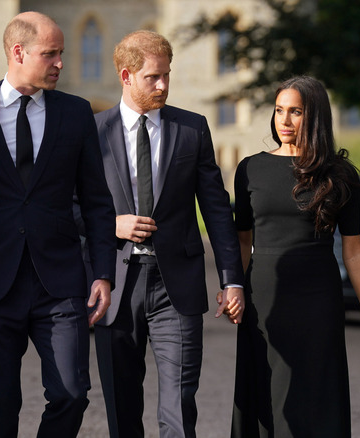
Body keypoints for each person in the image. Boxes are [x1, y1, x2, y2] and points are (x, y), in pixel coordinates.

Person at [0, 11, 116, 438]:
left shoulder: (77, 114)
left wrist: (103, 273)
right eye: (51, 54)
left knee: (72, 393)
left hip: (60, 282)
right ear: (18, 52)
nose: (60, 63)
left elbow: (97, 202)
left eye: (62, 53)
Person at [92, 30, 245, 437]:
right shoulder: (91, 133)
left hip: (175, 286)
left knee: (179, 406)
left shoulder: (191, 129)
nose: (162, 85)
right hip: (116, 285)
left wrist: (232, 280)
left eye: (167, 76)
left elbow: (215, 208)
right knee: (122, 410)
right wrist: (113, 224)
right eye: (152, 78)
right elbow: (66, 207)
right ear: (126, 75)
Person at [230, 75, 360, 437]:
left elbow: (353, 250)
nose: (284, 120)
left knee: (315, 396)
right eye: (279, 110)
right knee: (265, 397)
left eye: (295, 112)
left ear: (314, 116)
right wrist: (233, 287)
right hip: (263, 298)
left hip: (318, 299)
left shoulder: (340, 174)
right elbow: (241, 241)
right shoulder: (250, 168)